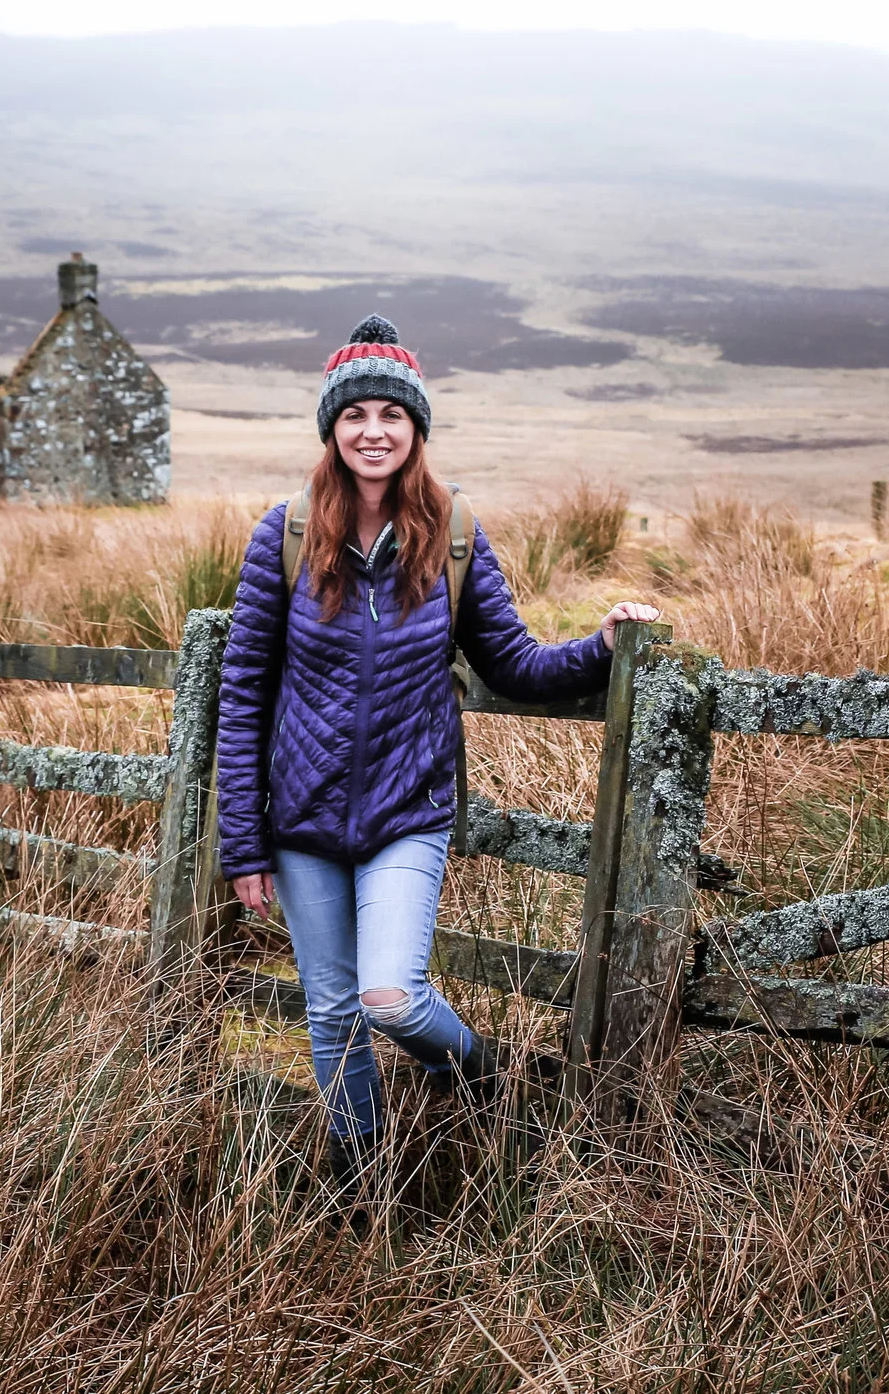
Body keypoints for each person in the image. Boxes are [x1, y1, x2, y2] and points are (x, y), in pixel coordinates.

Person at [214, 313, 661, 1190]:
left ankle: (485, 1079)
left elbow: (515, 664)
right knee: (333, 1011)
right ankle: (361, 1181)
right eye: (355, 414)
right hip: (300, 819)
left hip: (407, 812)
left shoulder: (453, 532)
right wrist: (243, 843)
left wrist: (601, 646)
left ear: (416, 427)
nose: (373, 431)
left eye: (392, 413)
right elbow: (243, 692)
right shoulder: (285, 534)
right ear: (331, 428)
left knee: (390, 996)